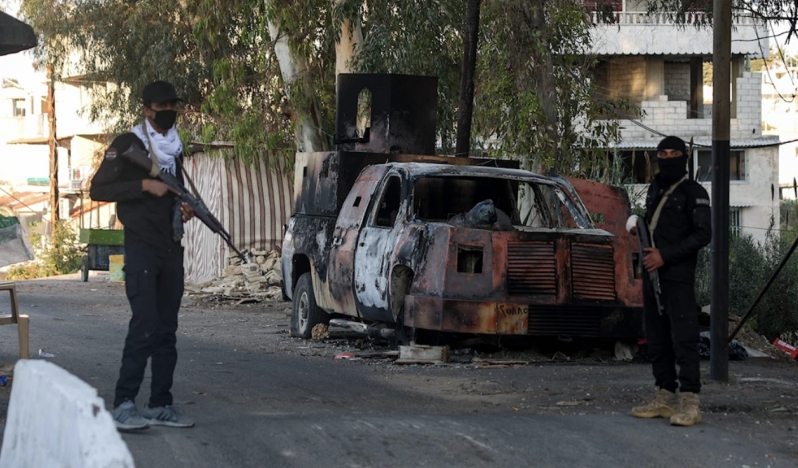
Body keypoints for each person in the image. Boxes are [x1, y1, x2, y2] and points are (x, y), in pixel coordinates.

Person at [90, 80, 195, 431]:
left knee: (167, 329)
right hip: (141, 248)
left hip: (170, 247)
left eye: (172, 105)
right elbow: (97, 189)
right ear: (147, 109)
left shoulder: (174, 147)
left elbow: (173, 193)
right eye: (161, 106)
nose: (168, 112)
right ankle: (123, 403)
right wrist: (142, 186)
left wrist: (181, 208)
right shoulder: (127, 144)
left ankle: (160, 404)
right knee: (145, 325)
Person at [629, 135, 711, 427]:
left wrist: (665, 255)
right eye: (663, 153)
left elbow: (703, 235)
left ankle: (690, 402)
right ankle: (665, 396)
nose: (668, 158)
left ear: (684, 157)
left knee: (685, 339)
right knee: (656, 337)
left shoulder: (694, 192)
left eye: (674, 153)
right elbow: (654, 225)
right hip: (653, 275)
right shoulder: (654, 189)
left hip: (678, 277)